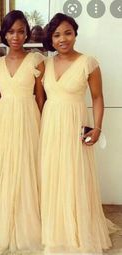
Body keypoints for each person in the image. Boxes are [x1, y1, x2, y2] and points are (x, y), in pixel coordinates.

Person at [40, 12, 114, 254]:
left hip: (74, 124)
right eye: (57, 34)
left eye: (68, 33)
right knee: (53, 174)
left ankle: (78, 228)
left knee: (74, 174)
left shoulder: (88, 63)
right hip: (51, 125)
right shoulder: (46, 63)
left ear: (75, 34)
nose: (63, 39)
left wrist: (97, 127)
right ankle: (56, 227)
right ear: (51, 38)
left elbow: (97, 97)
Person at [0, 10, 45, 255]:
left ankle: (29, 222)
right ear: (4, 33)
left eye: (21, 31)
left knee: (27, 167)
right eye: (11, 31)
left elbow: (41, 98)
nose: (16, 36)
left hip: (28, 118)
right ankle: (7, 220)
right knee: (7, 166)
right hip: (5, 120)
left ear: (27, 33)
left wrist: (45, 126)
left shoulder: (36, 60)